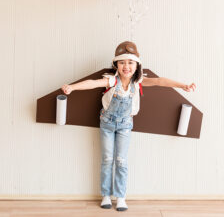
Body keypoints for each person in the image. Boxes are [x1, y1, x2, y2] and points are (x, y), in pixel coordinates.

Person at [61, 41, 196, 211]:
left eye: (130, 62)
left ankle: (121, 197)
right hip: (107, 124)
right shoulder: (111, 81)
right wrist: (72, 88)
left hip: (125, 126)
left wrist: (183, 86)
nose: (126, 66)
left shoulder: (138, 81)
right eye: (122, 62)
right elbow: (93, 83)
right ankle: (106, 195)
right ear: (116, 64)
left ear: (136, 65)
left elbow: (159, 81)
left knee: (121, 161)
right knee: (107, 159)